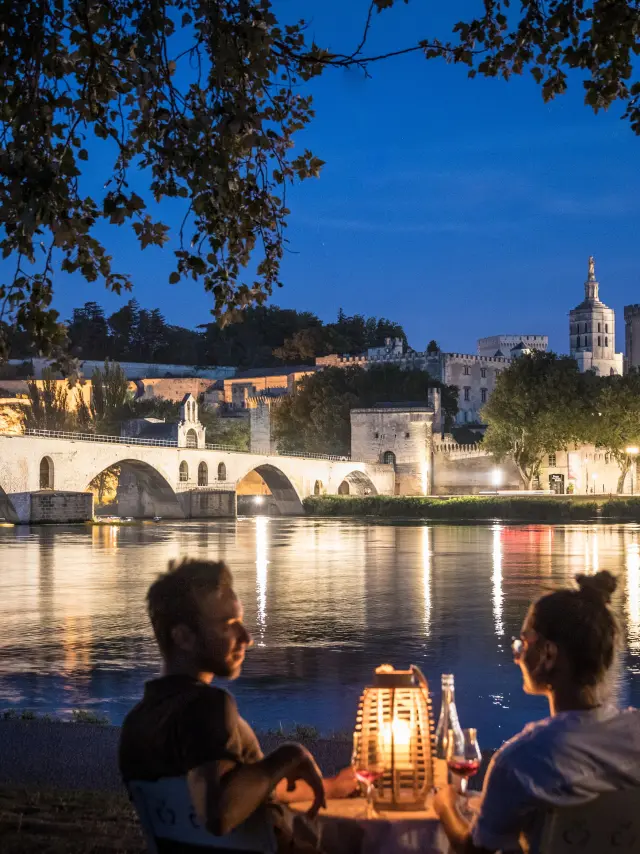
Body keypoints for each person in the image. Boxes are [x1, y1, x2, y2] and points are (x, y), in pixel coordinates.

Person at [119, 558, 357, 852]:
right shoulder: (208, 707)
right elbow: (220, 812)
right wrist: (288, 755)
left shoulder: (137, 723)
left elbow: (240, 791)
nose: (247, 638)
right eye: (228, 625)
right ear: (183, 637)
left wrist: (332, 787)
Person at [434, 570, 640, 854]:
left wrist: (445, 805)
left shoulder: (522, 760)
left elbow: (475, 850)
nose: (517, 656)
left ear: (548, 655)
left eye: (523, 643)